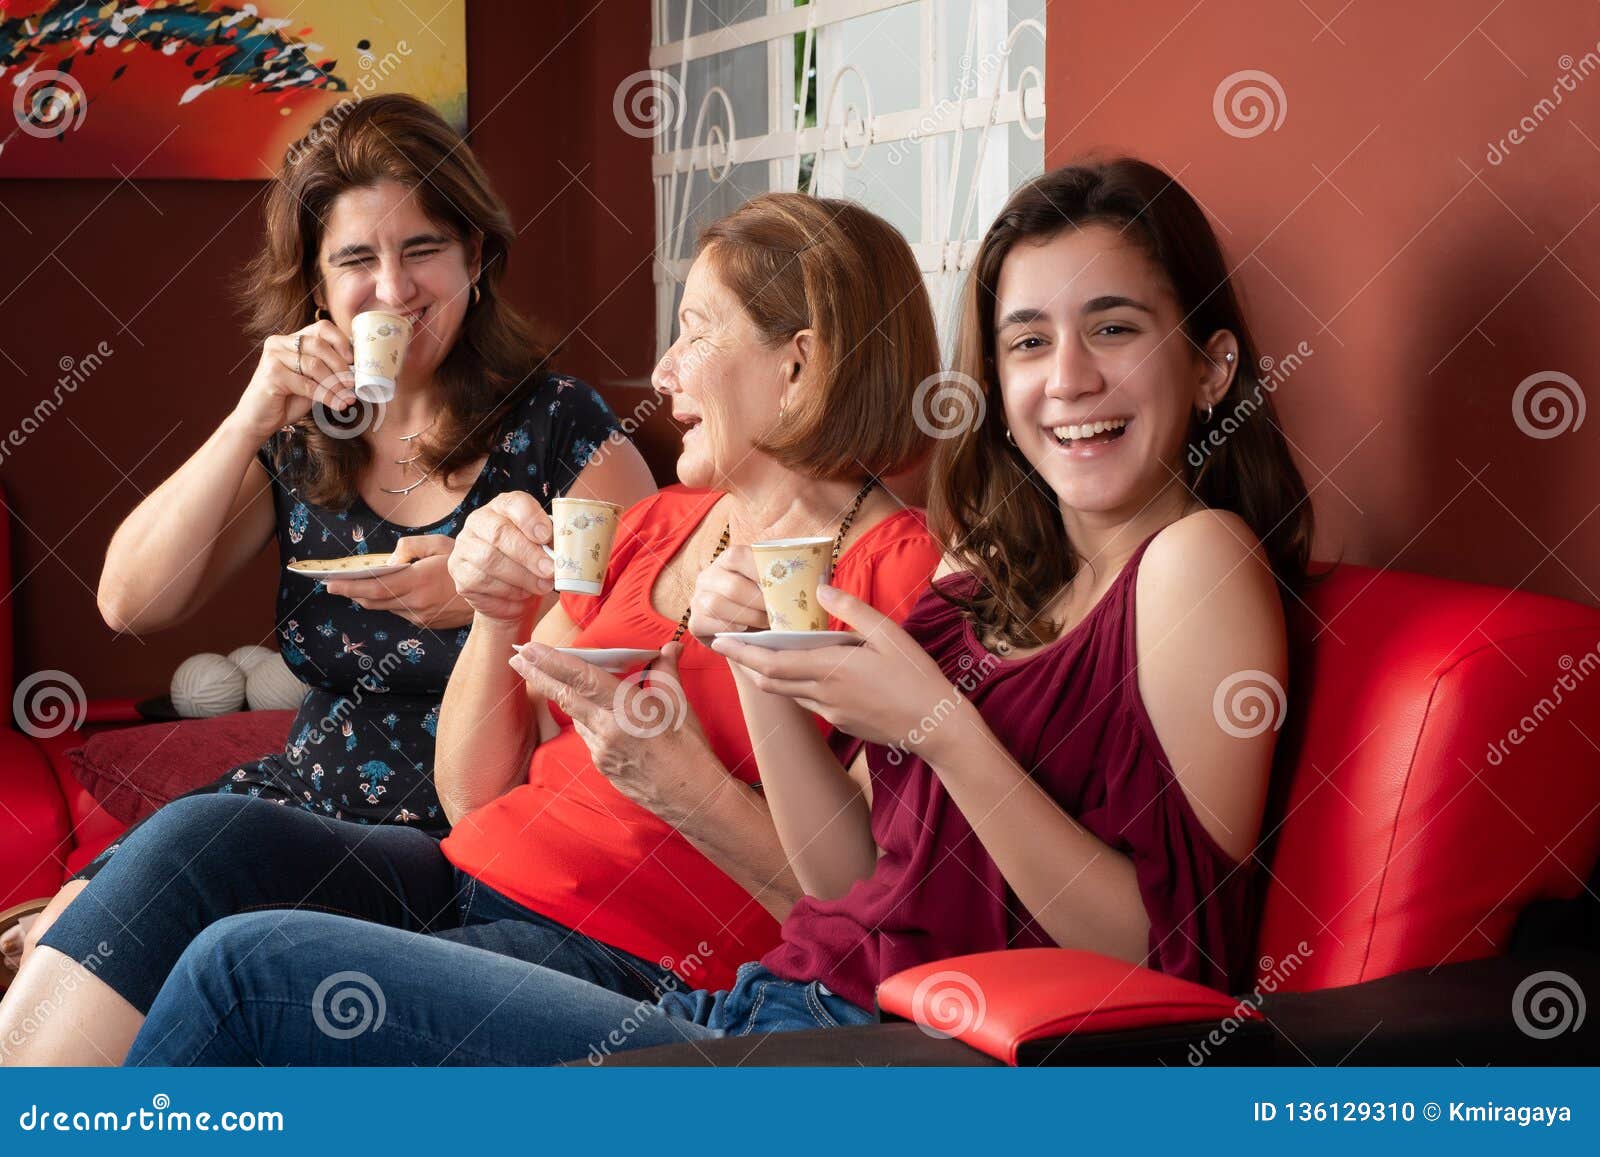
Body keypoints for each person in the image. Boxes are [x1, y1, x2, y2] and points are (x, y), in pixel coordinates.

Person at [112, 156, 1318, 1065]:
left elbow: (1158, 960)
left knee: (246, 973)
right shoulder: (995, 574)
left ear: (1211, 365)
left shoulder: (1195, 560)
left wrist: (936, 722)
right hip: (776, 1007)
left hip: (863, 1051)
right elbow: (852, 884)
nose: (1067, 379)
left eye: (1112, 329)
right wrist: (757, 664)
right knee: (220, 913)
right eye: (1026, 342)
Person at [0, 192, 945, 1065]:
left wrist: (681, 785)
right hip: (469, 874)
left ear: (801, 360)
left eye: (694, 333)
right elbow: (474, 794)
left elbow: (871, 912)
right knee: (197, 844)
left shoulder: (904, 579)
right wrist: (500, 614)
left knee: (249, 967)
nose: (662, 373)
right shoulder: (659, 527)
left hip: (637, 963)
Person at [0, 93, 654, 988]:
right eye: (357, 259)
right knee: (67, 937)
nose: (394, 289)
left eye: (423, 248)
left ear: (476, 255)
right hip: (301, 800)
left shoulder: (558, 424)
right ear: (316, 286)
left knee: (143, 931)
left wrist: (497, 598)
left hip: (466, 837)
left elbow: (644, 645)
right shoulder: (308, 433)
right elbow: (129, 602)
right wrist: (247, 419)